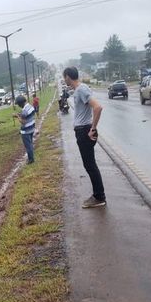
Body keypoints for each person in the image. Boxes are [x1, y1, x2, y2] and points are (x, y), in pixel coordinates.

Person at [63, 67, 106, 208]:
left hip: (85, 131)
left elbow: (98, 107)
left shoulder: (81, 89)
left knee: (90, 165)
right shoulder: (80, 89)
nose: (64, 80)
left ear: (68, 77)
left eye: (65, 77)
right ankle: (98, 195)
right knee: (90, 164)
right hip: (83, 130)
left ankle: (99, 197)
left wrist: (92, 129)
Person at [14, 95, 35, 164]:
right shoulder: (30, 107)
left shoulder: (24, 111)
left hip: (26, 131)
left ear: (21, 103)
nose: (19, 106)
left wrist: (17, 116)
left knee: (28, 146)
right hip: (31, 128)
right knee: (30, 143)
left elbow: (23, 121)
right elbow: (26, 116)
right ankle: (31, 157)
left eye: (19, 104)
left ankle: (31, 160)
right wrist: (20, 114)